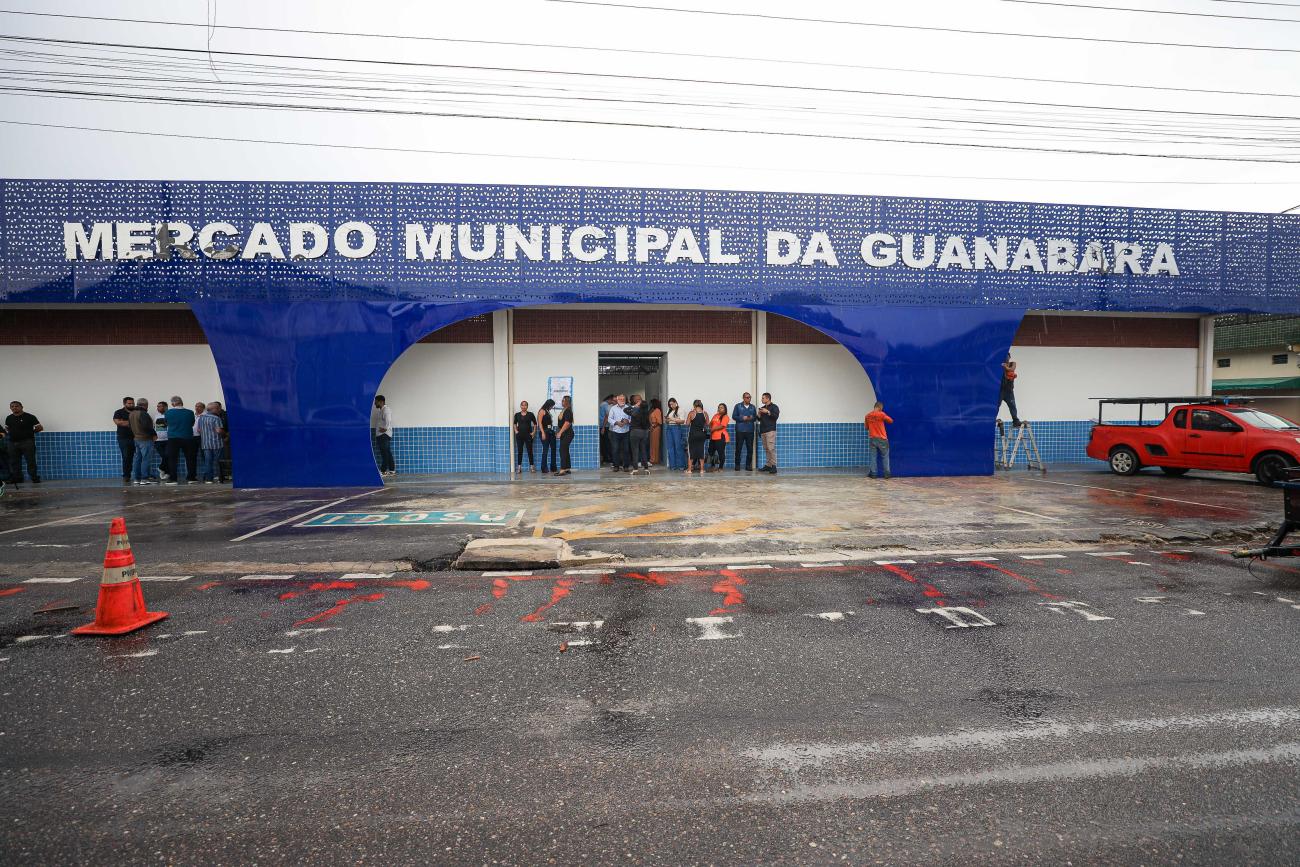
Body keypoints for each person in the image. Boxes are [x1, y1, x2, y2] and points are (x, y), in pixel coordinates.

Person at [5, 401, 43, 483]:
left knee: (30, 461)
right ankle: (17, 478)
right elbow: (7, 429)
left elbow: (40, 428)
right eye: (12, 406)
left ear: (21, 407)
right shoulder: (9, 418)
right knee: (14, 462)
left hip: (27, 442)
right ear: (10, 408)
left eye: (16, 406)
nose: (14, 408)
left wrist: (30, 433)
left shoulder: (30, 417)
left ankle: (34, 478)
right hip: (12, 443)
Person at [163, 396, 198, 484]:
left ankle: (173, 479)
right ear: (182, 402)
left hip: (173, 438)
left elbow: (166, 423)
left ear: (173, 403)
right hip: (188, 437)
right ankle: (192, 478)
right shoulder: (190, 412)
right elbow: (192, 423)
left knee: (172, 459)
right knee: (190, 458)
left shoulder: (168, 413)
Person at [129, 396, 158, 485]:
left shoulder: (131, 414)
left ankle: (137, 478)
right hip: (145, 439)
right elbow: (147, 426)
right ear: (145, 405)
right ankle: (144, 479)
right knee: (146, 459)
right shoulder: (143, 414)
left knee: (138, 459)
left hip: (136, 439)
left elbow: (130, 427)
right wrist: (154, 434)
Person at [196, 401, 225, 484]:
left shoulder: (201, 418)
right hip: (217, 444)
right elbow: (219, 431)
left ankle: (208, 479)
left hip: (205, 444)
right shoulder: (216, 418)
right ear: (213, 409)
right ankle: (220, 478)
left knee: (208, 462)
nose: (219, 410)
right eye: (218, 408)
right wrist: (225, 434)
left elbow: (199, 430)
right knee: (219, 462)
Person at [864, 400, 893, 479]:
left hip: (872, 438)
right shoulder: (881, 414)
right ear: (880, 407)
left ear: (874, 407)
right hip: (882, 439)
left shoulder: (867, 416)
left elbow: (866, 427)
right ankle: (887, 474)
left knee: (873, 456)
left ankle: (873, 474)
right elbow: (890, 421)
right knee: (885, 456)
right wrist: (882, 417)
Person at [113, 396, 136, 482]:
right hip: (124, 438)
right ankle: (126, 475)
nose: (131, 405)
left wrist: (124, 421)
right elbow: (118, 422)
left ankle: (141, 475)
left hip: (137, 437)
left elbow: (140, 422)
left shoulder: (136, 411)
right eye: (129, 403)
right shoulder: (119, 412)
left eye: (132, 403)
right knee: (126, 457)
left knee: (140, 457)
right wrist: (133, 422)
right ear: (124, 404)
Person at [606, 394, 632, 472]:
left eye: (623, 399)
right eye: (620, 399)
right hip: (615, 432)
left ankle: (626, 466)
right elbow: (609, 419)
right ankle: (616, 466)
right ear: (617, 400)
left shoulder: (629, 408)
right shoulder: (613, 408)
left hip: (626, 431)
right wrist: (616, 422)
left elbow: (632, 418)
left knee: (626, 450)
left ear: (625, 400)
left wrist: (628, 421)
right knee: (615, 449)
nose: (622, 400)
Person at [732, 392, 757, 471]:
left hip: (750, 431)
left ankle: (748, 465)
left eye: (749, 397)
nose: (748, 399)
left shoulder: (753, 407)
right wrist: (742, 418)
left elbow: (755, 417)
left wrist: (751, 418)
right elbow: (734, 416)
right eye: (747, 397)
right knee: (738, 448)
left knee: (750, 449)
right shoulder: (738, 406)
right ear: (743, 398)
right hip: (740, 430)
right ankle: (737, 465)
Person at [372, 395, 396, 476]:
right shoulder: (382, 410)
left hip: (384, 435)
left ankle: (383, 471)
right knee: (387, 453)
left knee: (384, 453)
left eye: (376, 402)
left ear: (381, 402)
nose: (375, 403)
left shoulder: (386, 410)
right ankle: (392, 470)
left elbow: (388, 420)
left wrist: (385, 429)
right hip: (382, 435)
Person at [627, 394, 651, 474]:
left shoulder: (635, 411)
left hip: (635, 432)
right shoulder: (646, 413)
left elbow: (625, 410)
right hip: (644, 433)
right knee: (643, 450)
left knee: (635, 451)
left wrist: (634, 406)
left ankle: (635, 469)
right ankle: (646, 468)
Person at [758, 392, 780, 474]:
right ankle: (768, 465)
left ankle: (773, 466)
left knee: (771, 448)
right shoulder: (763, 408)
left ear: (768, 398)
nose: (762, 399)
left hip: (770, 430)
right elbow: (759, 419)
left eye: (763, 398)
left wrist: (767, 412)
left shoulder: (774, 407)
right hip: (763, 431)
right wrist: (759, 414)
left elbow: (775, 416)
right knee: (766, 449)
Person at [513, 399, 537, 473]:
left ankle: (532, 467)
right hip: (519, 435)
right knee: (520, 451)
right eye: (522, 405)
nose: (524, 406)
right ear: (520, 406)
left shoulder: (530, 414)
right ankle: (519, 467)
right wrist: (516, 431)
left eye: (525, 405)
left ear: (527, 406)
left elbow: (535, 423)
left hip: (528, 435)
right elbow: (514, 423)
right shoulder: (517, 415)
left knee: (530, 451)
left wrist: (534, 432)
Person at [210, 400, 231, 483]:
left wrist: (227, 436)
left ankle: (228, 474)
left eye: (214, 408)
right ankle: (222, 475)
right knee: (222, 458)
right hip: (217, 440)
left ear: (219, 408)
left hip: (225, 438)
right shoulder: (213, 415)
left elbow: (229, 426)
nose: (212, 410)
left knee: (227, 456)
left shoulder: (225, 415)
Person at [686, 399, 708, 475]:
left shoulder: (691, 413)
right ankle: (701, 470)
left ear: (694, 405)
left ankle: (689, 470)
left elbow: (687, 424)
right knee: (701, 451)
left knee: (691, 452)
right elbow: (707, 424)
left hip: (693, 435)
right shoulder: (705, 413)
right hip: (701, 435)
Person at [664, 398, 686, 471]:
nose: (671, 406)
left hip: (676, 428)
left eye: (672, 404)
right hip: (669, 428)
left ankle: (681, 465)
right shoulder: (669, 410)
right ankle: (672, 465)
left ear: (675, 403)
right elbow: (667, 421)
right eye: (670, 405)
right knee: (670, 447)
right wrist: (667, 420)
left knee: (678, 446)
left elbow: (682, 421)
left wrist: (672, 419)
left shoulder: (680, 410)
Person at [707, 403, 731, 472]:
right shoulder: (715, 415)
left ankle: (720, 467)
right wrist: (709, 426)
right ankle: (713, 466)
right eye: (719, 407)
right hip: (713, 437)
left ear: (725, 409)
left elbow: (722, 426)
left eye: (721, 408)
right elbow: (710, 423)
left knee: (721, 452)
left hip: (721, 437)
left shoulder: (725, 417)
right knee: (711, 452)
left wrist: (713, 429)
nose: (720, 409)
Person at [538, 398, 558, 475]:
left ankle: (553, 467)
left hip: (550, 432)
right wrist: (543, 432)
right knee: (545, 450)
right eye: (552, 406)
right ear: (549, 405)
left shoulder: (548, 411)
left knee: (553, 449)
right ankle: (544, 468)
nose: (552, 407)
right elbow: (540, 423)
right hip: (545, 432)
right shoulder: (542, 411)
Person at [1001, 355, 1022, 427]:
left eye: (1007, 356)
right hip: (1000, 390)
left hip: (1009, 391)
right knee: (996, 406)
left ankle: (1015, 421)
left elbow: (1012, 369)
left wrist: (1005, 367)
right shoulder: (1000, 365)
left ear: (1009, 357)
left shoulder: (1013, 363)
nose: (1006, 358)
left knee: (1012, 406)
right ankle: (992, 419)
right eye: (1005, 356)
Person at [556, 395, 574, 476]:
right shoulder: (565, 410)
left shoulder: (568, 411)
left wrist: (560, 432)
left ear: (566, 402)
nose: (561, 402)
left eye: (563, 401)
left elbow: (567, 423)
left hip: (567, 433)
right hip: (565, 433)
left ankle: (563, 469)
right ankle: (567, 468)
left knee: (562, 450)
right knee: (565, 450)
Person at [154, 400, 172, 480]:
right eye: (157, 406)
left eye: (160, 406)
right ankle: (165, 471)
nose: (158, 408)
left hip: (168, 439)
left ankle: (162, 469)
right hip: (158, 440)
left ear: (165, 407)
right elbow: (153, 427)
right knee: (164, 456)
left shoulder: (170, 415)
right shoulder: (156, 416)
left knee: (168, 456)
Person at [597, 393, 613, 466]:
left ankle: (605, 458)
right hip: (605, 426)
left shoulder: (601, 404)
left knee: (603, 443)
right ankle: (607, 459)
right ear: (610, 399)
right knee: (607, 443)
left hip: (601, 425)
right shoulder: (605, 405)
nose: (612, 402)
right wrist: (603, 427)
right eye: (612, 401)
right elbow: (607, 415)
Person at [649, 398, 664, 466]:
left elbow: (659, 421)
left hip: (656, 428)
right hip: (653, 428)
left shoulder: (657, 410)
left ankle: (655, 459)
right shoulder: (654, 410)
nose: (650, 405)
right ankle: (652, 458)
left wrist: (653, 426)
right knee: (652, 444)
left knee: (655, 444)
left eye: (651, 403)